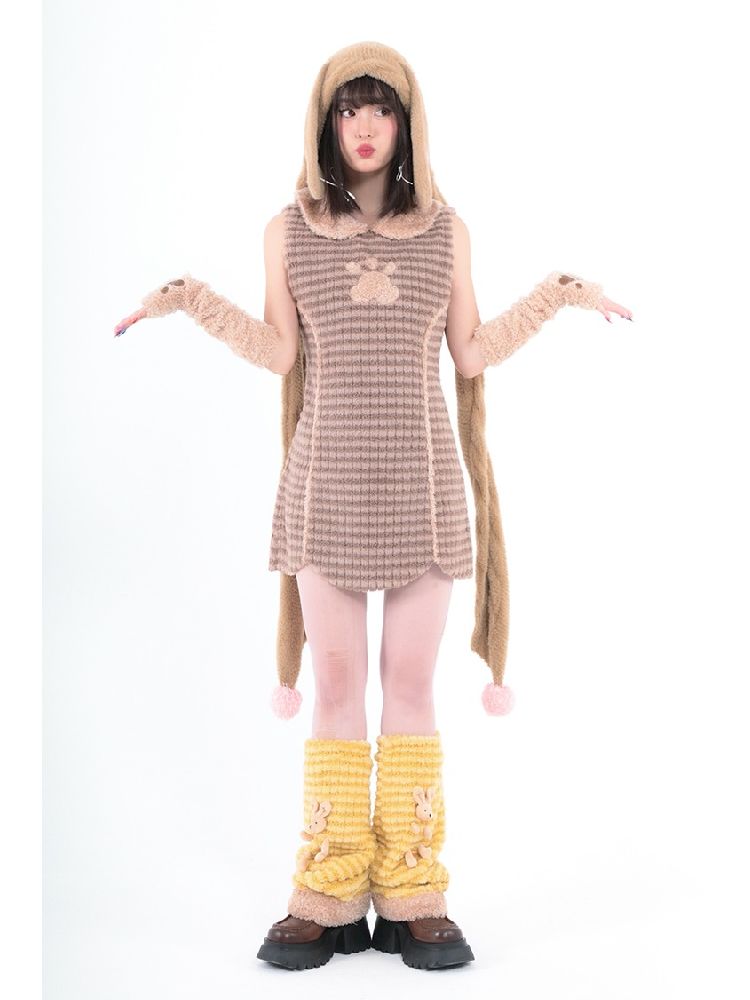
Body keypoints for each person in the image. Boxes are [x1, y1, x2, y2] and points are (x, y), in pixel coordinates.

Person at [114, 40, 632, 972]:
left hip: (424, 490)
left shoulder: (446, 231)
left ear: (406, 123)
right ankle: (327, 890)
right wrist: (187, 300)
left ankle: (413, 892)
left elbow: (469, 352)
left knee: (411, 683)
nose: (363, 126)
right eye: (348, 109)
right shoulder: (287, 231)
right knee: (336, 683)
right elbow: (280, 352)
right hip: (326, 490)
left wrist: (559, 296)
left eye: (380, 108)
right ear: (325, 123)